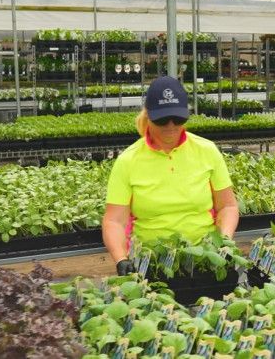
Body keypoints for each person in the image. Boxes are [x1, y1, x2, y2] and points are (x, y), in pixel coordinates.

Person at [102, 76, 239, 275]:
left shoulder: (207, 150)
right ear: (148, 116)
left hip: (204, 256)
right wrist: (121, 258)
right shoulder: (128, 161)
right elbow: (114, 220)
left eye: (178, 118)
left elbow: (227, 206)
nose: (171, 125)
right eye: (163, 120)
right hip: (152, 261)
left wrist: (224, 243)